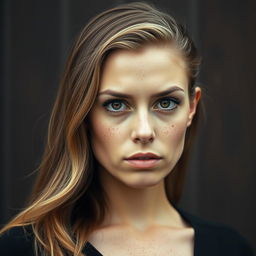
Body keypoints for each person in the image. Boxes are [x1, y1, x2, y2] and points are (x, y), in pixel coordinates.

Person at [0, 2, 254, 256]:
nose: (144, 132)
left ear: (191, 107)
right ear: (84, 114)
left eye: (166, 103)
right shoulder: (22, 249)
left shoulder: (232, 249)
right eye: (116, 104)